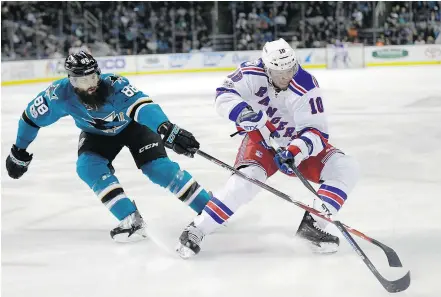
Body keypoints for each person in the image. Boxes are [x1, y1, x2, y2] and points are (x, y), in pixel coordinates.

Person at [176, 39, 359, 258]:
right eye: (279, 72)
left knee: (345, 168)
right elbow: (223, 93)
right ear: (266, 68)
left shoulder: (306, 84)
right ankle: (197, 228)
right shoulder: (251, 73)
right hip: (261, 140)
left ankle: (312, 228)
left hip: (295, 144)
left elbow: (316, 131)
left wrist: (295, 151)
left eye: (291, 69)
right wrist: (241, 113)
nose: (286, 76)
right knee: (245, 181)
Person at [5, 51, 212, 242]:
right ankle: (130, 218)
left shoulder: (115, 84)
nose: (90, 85)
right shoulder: (58, 94)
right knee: (87, 167)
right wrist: (18, 150)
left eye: (93, 77)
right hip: (96, 135)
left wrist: (167, 128)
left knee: (158, 169)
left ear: (99, 73)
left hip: (134, 127)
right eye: (82, 80)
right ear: (71, 80)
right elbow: (31, 118)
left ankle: (208, 207)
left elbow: (143, 106)